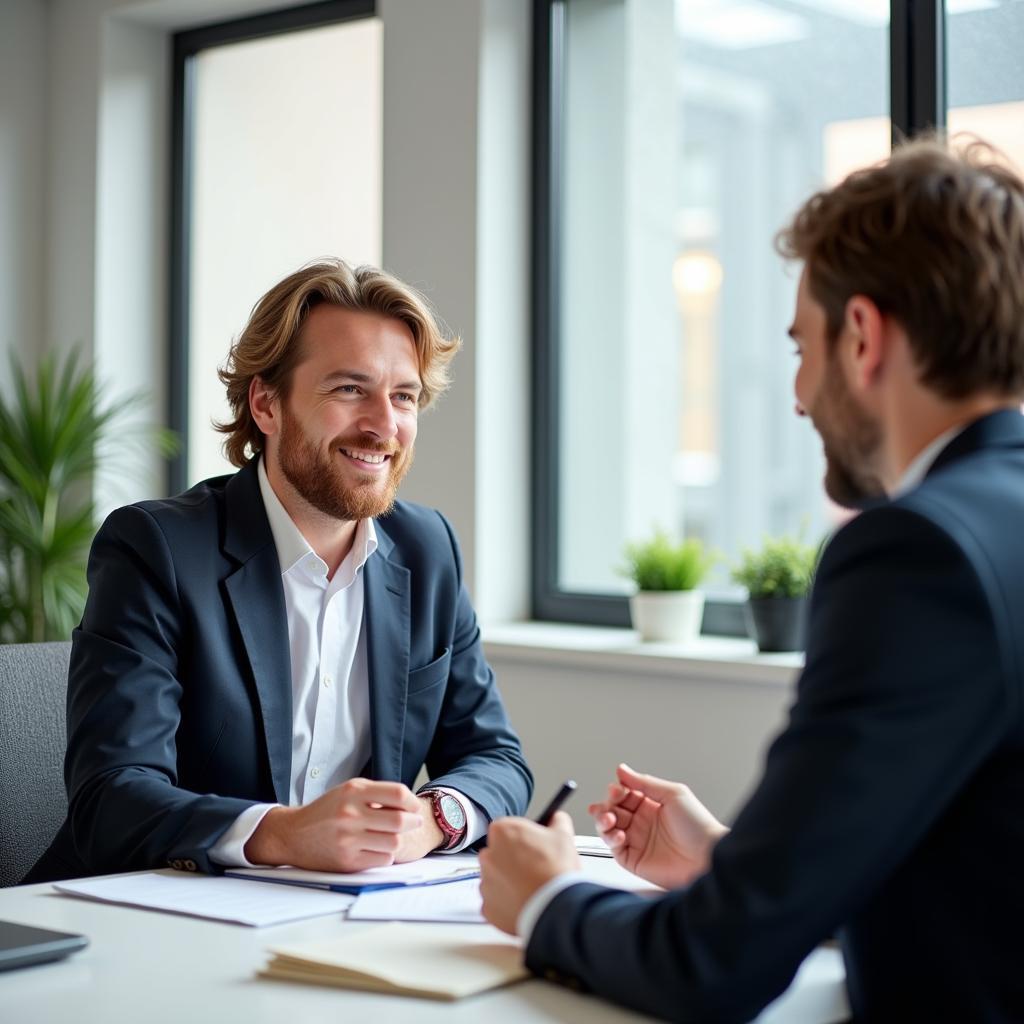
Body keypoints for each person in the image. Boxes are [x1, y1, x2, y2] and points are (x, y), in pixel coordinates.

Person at [479, 137, 1024, 1022]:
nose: (802, 396)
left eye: (799, 347)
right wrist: (734, 864)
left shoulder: (921, 552)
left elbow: (711, 966)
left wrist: (545, 899)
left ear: (863, 336)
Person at [28, 259, 532, 883]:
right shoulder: (156, 547)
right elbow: (112, 798)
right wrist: (286, 834)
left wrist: (434, 820)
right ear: (266, 405)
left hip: (338, 916)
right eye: (350, 389)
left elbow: (496, 757)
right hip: (149, 914)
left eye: (403, 396)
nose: (384, 425)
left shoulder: (427, 548)